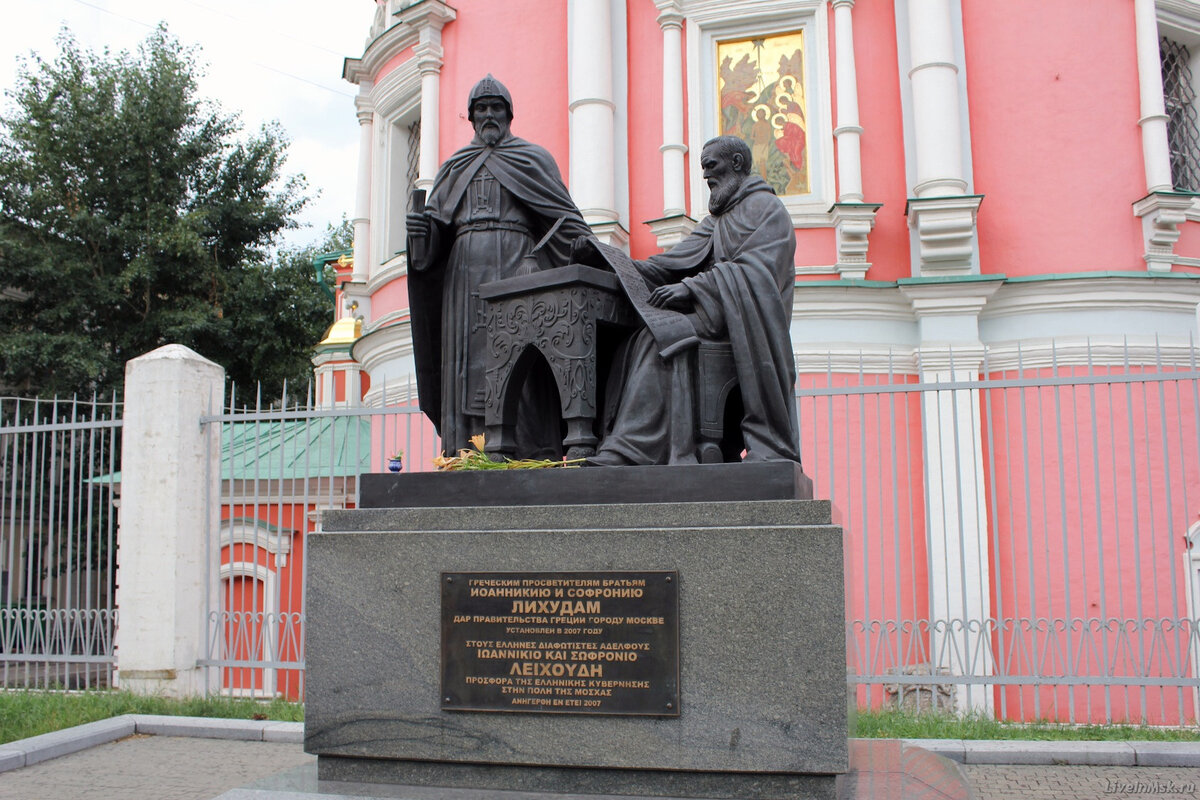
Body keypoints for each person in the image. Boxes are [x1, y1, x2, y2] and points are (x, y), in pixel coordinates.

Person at [406, 75, 595, 457]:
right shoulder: (454, 166)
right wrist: (419, 233)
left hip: (517, 268)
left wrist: (575, 251)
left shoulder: (532, 158)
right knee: (468, 361)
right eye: (481, 108)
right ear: (471, 117)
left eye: (496, 108)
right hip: (464, 273)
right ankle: (467, 451)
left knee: (518, 354)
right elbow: (431, 250)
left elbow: (564, 219)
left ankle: (526, 449)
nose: (489, 115)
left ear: (509, 114)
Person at [584, 135, 801, 466]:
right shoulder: (716, 220)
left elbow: (759, 273)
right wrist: (611, 260)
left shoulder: (768, 210)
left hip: (742, 325)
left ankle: (637, 448)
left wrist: (693, 289)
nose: (705, 176)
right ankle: (644, 444)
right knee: (639, 337)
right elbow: (669, 263)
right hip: (715, 315)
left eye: (710, 166)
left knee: (663, 341)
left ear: (737, 164)